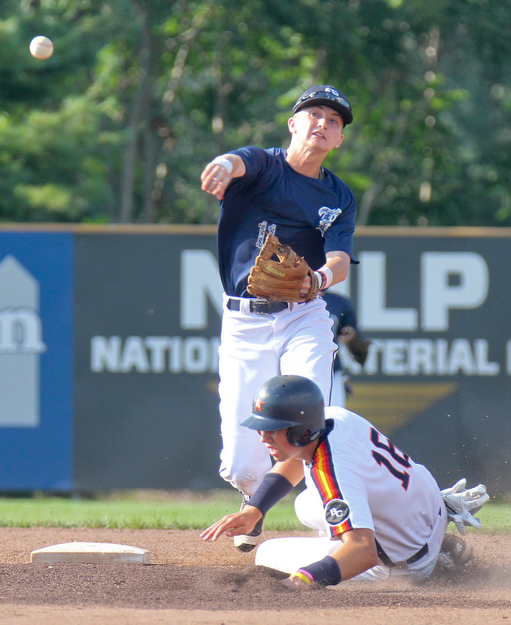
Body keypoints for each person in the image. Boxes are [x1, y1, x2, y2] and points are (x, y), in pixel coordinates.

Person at [200, 85, 359, 551]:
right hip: (244, 323)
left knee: (314, 416)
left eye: (334, 121)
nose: (322, 123)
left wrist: (321, 280)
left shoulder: (338, 195)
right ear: (293, 123)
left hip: (302, 315)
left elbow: (341, 259)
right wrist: (224, 166)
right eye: (314, 114)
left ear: (338, 140)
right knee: (241, 464)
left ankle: (348, 519)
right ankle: (255, 506)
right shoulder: (265, 165)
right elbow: (237, 161)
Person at [201, 375, 489, 586]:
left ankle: (435, 565)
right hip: (428, 509)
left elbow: (362, 553)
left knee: (266, 553)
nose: (263, 436)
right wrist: (255, 509)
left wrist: (303, 579)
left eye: (273, 429)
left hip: (404, 563)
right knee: (304, 505)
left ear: (302, 431)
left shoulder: (332, 473)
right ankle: (425, 538)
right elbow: (292, 462)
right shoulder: (334, 417)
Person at [322, 290, 370, 407]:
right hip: (287, 371)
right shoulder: (281, 297)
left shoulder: (337, 302)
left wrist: (353, 338)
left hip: (330, 372)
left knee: (332, 421)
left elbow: (360, 353)